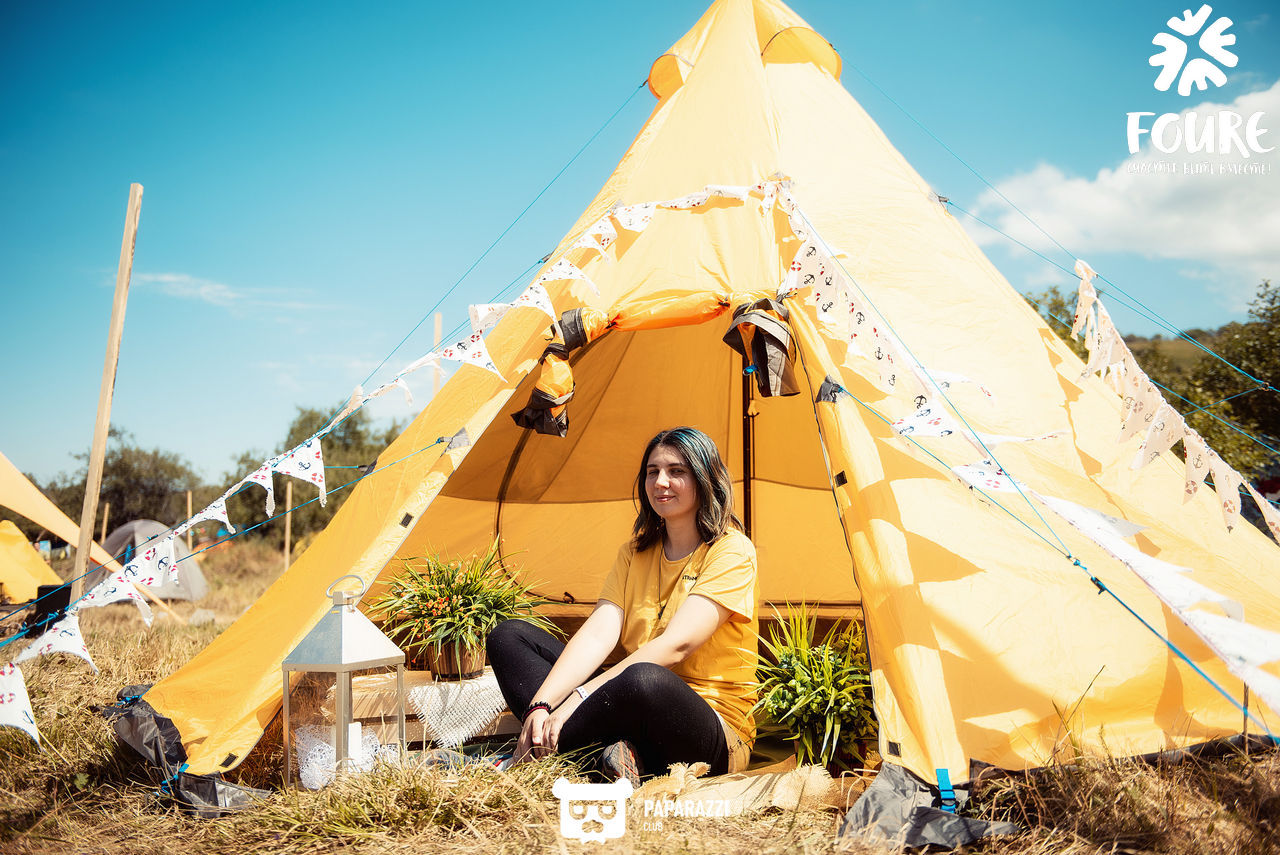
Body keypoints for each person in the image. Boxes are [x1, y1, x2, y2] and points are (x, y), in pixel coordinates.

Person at [487, 426, 760, 784]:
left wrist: (578, 698)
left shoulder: (732, 551)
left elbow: (676, 646)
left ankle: (538, 756)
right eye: (652, 472)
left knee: (645, 679)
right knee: (510, 636)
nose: (661, 482)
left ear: (704, 478)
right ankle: (601, 754)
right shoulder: (634, 553)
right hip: (628, 706)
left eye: (676, 471)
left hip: (710, 729)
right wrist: (541, 705)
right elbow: (598, 635)